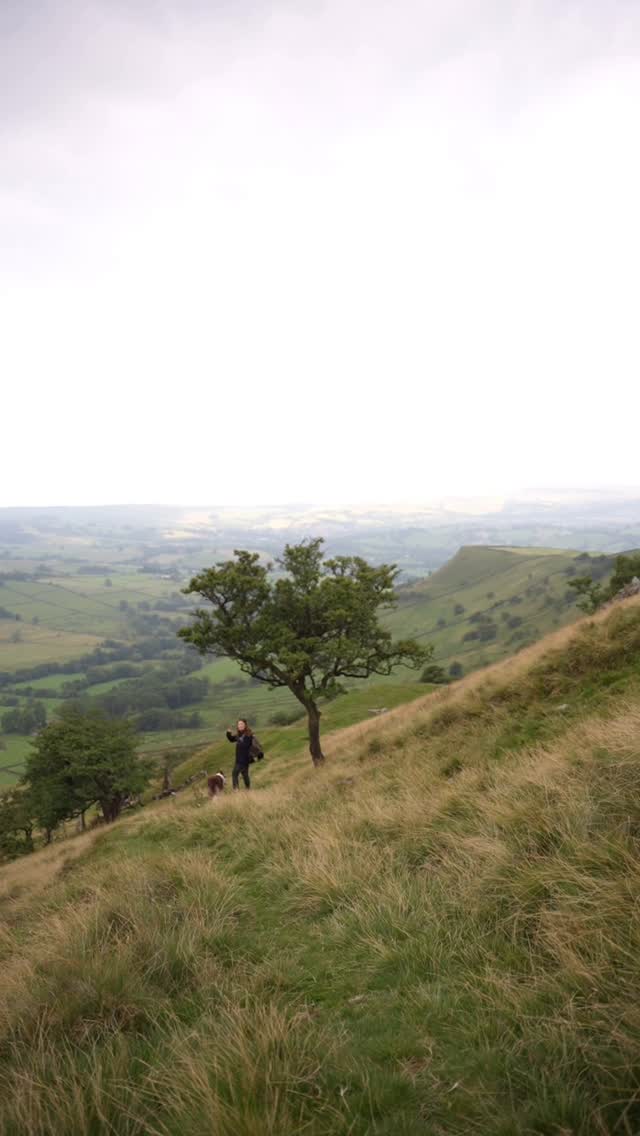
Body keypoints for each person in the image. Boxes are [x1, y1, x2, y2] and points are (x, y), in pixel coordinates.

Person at [226, 718, 254, 790]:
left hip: (244, 759)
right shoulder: (239, 735)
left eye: (241, 724)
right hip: (239, 759)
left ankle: (236, 791)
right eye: (238, 724)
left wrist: (239, 740)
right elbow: (231, 739)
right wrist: (228, 733)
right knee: (245, 775)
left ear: (245, 725)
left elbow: (246, 746)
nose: (240, 725)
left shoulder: (248, 734)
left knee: (234, 773)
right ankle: (248, 789)